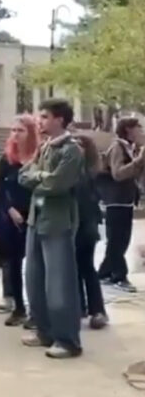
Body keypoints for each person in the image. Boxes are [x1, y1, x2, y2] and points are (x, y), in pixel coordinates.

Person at [18, 98, 83, 359]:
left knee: (59, 284)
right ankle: (44, 331)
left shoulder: (71, 150)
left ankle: (67, 340)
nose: (40, 121)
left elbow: (57, 184)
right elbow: (24, 175)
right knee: (35, 280)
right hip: (37, 218)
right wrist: (39, 177)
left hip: (57, 222)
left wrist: (38, 177)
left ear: (59, 119)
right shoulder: (45, 147)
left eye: (45, 116)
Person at [0, 114, 38, 326]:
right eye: (14, 130)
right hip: (11, 218)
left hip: (35, 216)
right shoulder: (7, 158)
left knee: (37, 266)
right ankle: (18, 307)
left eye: (21, 130)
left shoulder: (38, 156)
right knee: (13, 265)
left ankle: (38, 311)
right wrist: (10, 210)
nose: (16, 135)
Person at [98, 117, 145, 293]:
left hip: (125, 201)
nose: (140, 131)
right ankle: (119, 275)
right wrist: (139, 160)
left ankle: (104, 273)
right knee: (117, 241)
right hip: (115, 201)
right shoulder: (117, 147)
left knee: (120, 241)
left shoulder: (130, 148)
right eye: (137, 128)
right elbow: (118, 174)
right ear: (128, 130)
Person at [73, 135, 108, 330]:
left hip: (87, 226)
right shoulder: (71, 170)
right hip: (72, 225)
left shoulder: (90, 173)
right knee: (74, 268)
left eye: (81, 145)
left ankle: (97, 310)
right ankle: (80, 307)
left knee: (87, 267)